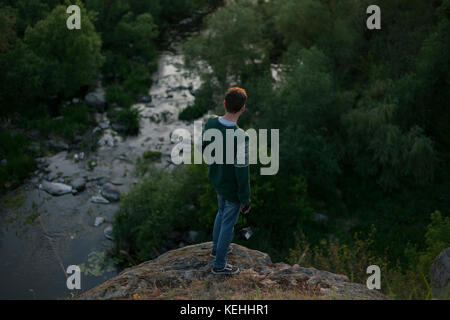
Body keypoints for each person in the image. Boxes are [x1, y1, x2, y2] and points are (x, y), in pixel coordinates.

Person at [202, 87, 251, 275]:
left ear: (224, 104)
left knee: (221, 213)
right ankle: (219, 265)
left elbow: (205, 148)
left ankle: (216, 248)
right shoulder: (241, 137)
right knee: (228, 223)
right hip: (232, 188)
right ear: (243, 108)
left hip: (217, 180)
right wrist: (245, 199)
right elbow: (242, 172)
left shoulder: (211, 123)